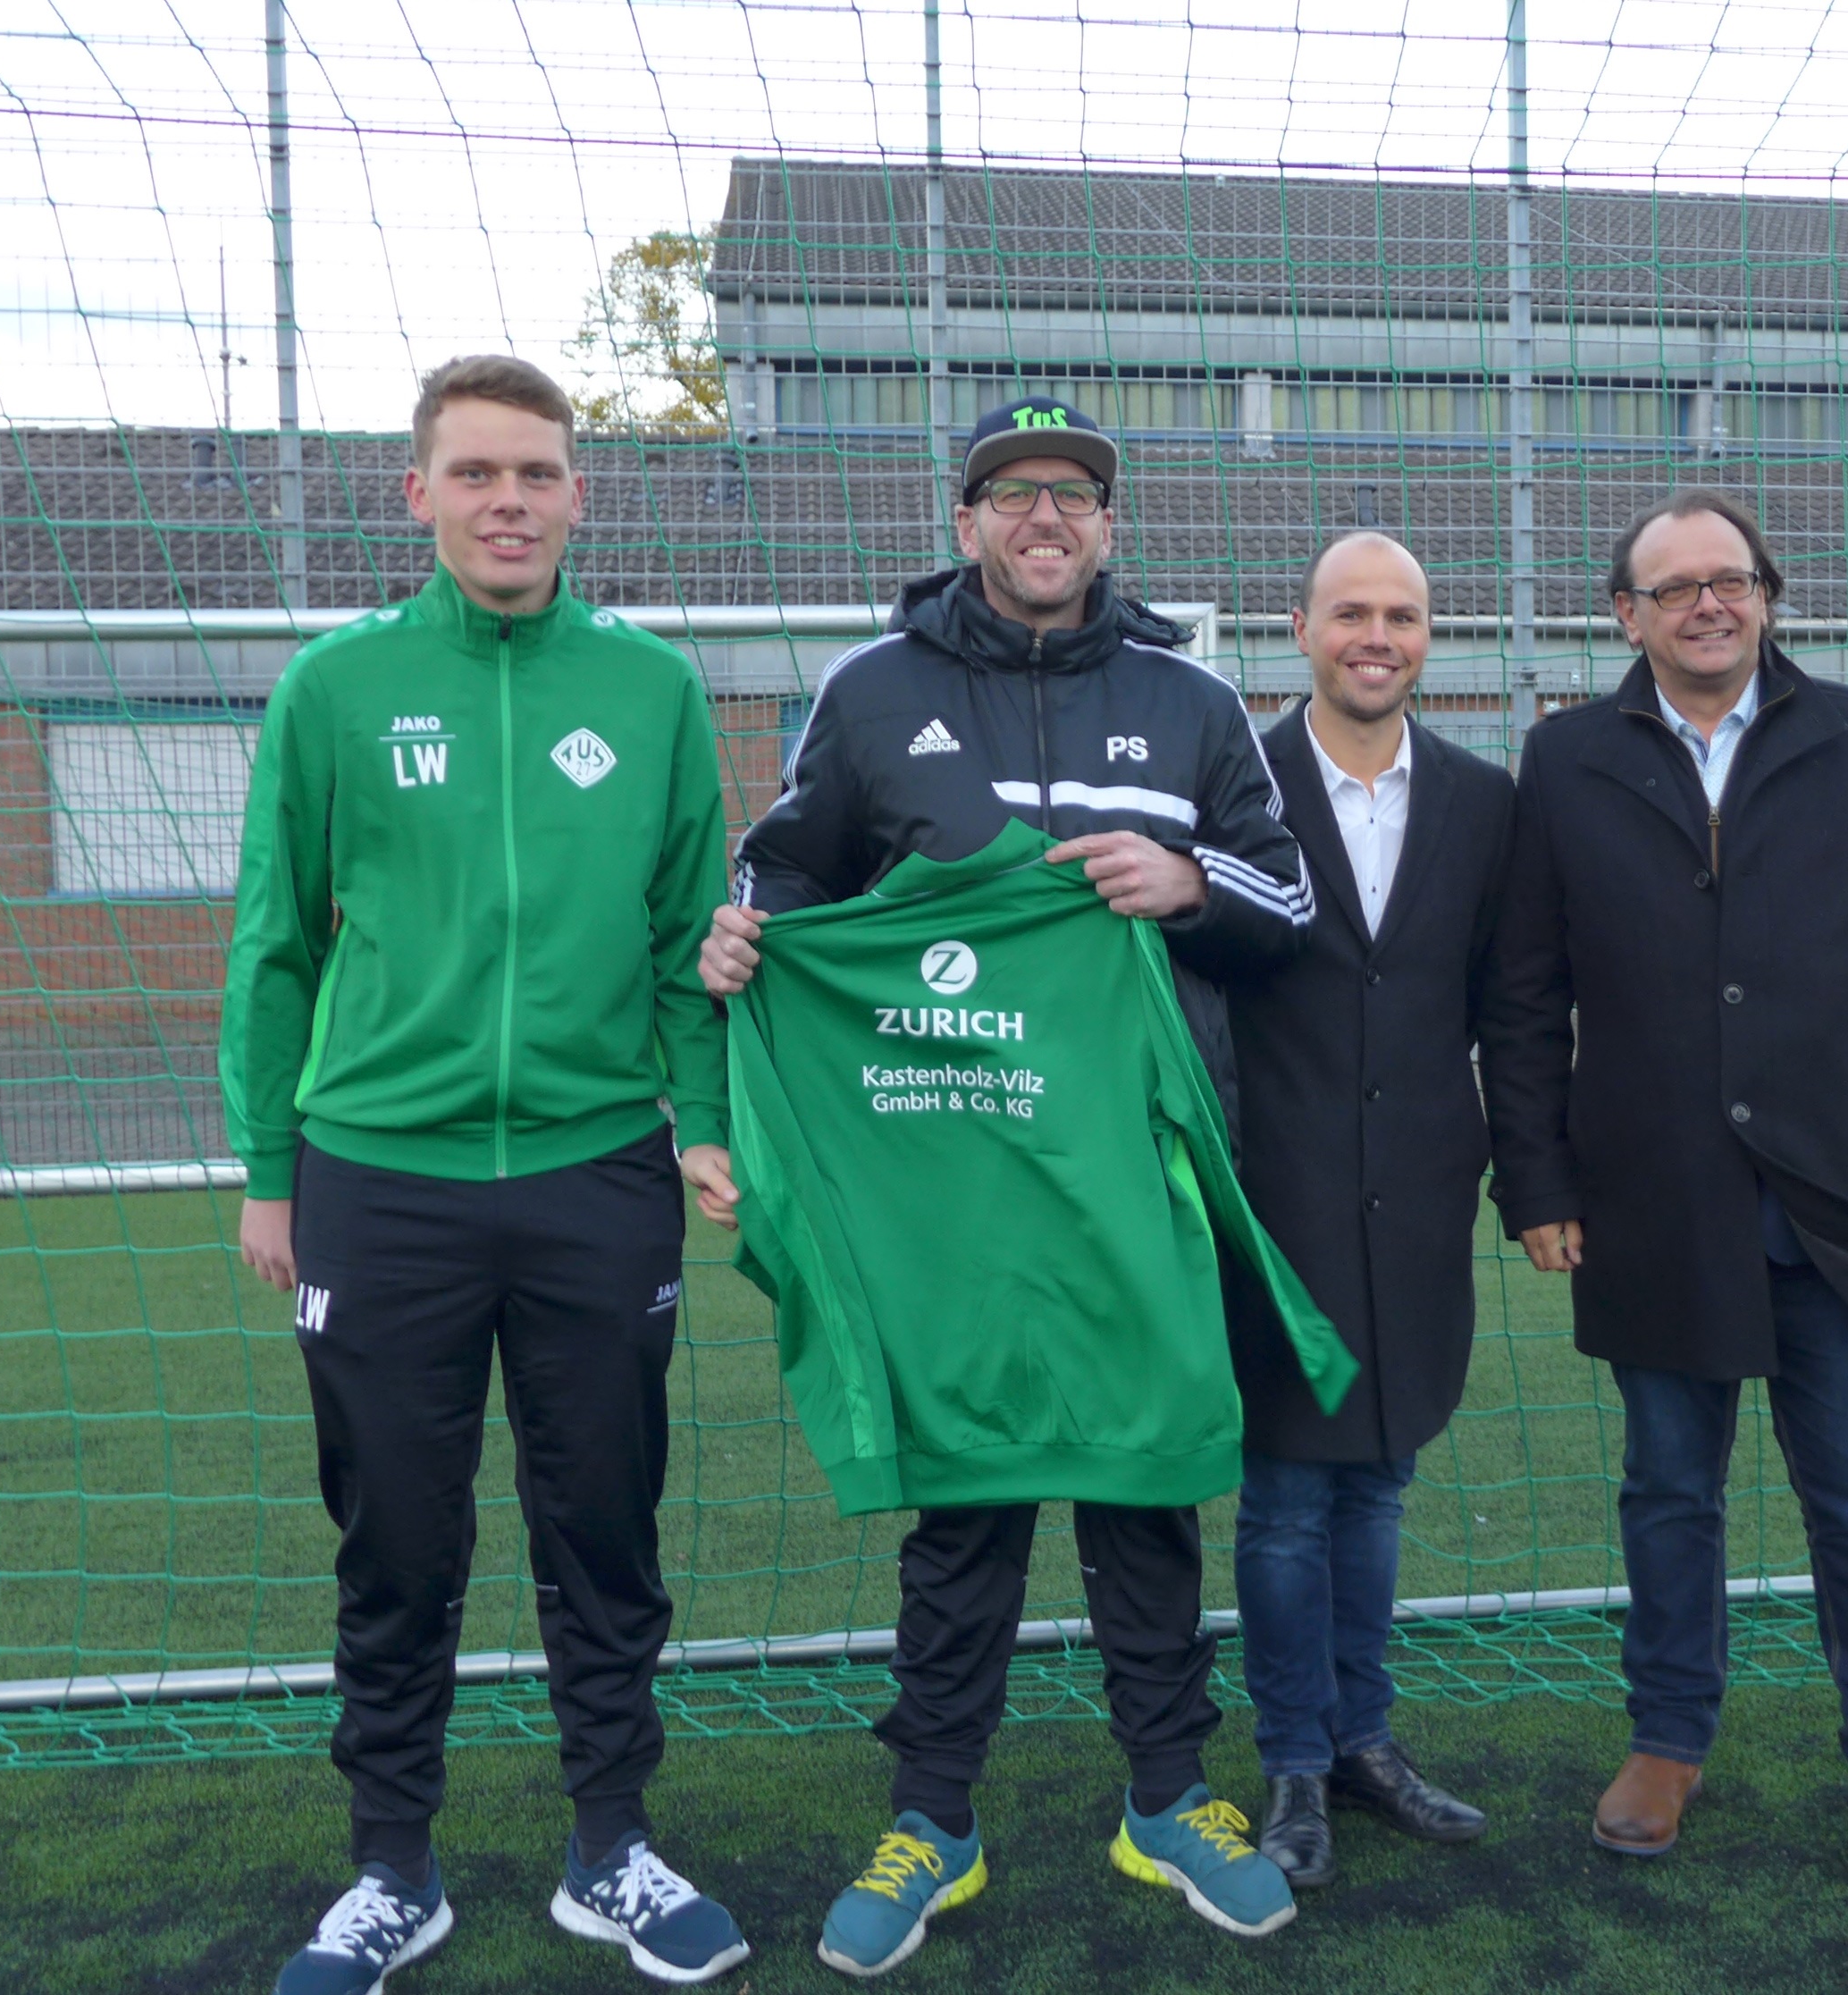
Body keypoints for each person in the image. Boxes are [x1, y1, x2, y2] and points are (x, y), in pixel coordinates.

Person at [695, 396, 1317, 1976]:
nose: (1048, 517)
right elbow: (787, 869)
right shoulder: (872, 689)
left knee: (1144, 1488)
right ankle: (934, 1821)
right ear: (965, 520)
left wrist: (1185, 882)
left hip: (1132, 1174)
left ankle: (1168, 1800)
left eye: (1076, 495)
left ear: (1109, 526)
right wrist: (747, 931)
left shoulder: (1191, 699)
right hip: (946, 1182)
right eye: (1016, 492)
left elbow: (1288, 897)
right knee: (963, 1502)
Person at [223, 353, 751, 1991]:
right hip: (380, 1184)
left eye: (535, 473)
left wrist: (704, 1115)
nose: (507, 501)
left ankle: (614, 1851)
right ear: (421, 495)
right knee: (397, 1539)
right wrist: (269, 1167)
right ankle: (393, 1870)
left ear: (578, 495)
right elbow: (275, 944)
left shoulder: (651, 690)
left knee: (604, 1528)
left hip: (599, 1174)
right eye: (475, 474)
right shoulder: (336, 687)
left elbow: (688, 939)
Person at [1480, 487, 1848, 1903]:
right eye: (1676, 586)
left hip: (1841, 1206)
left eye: (1734, 579)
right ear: (1627, 615)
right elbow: (1524, 996)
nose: (1710, 603)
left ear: (1768, 597)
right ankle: (1667, 1740)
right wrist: (1534, 1176)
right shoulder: (1567, 758)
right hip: (1651, 1204)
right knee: (1668, 1492)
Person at [1221, 531, 1511, 1889]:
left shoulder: (1483, 801)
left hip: (1419, 1201)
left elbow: (1507, 1006)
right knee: (1287, 1494)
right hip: (1274, 1199)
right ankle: (1293, 1759)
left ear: (1429, 636)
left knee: (1382, 1477)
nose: (1376, 637)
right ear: (1301, 629)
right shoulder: (1233, 784)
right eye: (1350, 613)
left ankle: (1363, 1740)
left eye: (1402, 614)